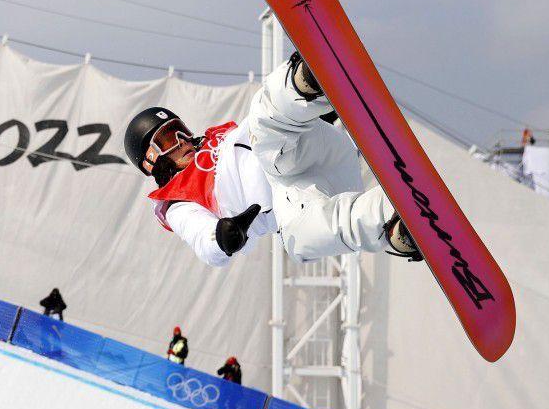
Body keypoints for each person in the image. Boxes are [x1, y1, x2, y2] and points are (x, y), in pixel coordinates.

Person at [123, 51, 422, 266]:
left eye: (180, 130)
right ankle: (394, 222)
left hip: (296, 151)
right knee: (300, 240)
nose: (181, 141)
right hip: (302, 194)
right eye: (166, 140)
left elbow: (264, 130)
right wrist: (222, 237)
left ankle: (305, 83)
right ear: (151, 161)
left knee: (261, 127)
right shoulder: (175, 202)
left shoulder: (218, 141)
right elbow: (199, 237)